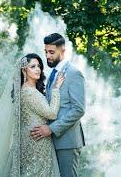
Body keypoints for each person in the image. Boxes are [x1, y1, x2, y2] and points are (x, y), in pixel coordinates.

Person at [0, 53, 65, 177]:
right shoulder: (30, 93)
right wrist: (56, 89)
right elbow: (51, 114)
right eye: (33, 66)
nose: (38, 69)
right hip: (37, 142)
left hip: (29, 140)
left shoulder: (24, 90)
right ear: (24, 71)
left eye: (39, 66)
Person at [30, 33, 86, 177]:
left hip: (67, 142)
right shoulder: (52, 74)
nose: (48, 56)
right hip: (51, 140)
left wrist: (51, 128)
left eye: (52, 52)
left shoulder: (74, 74)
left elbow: (78, 110)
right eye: (46, 52)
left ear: (63, 51)